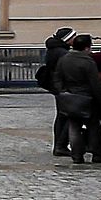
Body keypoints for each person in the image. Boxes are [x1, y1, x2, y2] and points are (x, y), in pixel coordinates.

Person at [50, 31, 101, 166]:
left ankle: (77, 155)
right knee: (93, 127)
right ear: (87, 48)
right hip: (87, 98)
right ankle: (98, 154)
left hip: (70, 98)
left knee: (74, 126)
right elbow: (95, 84)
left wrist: (62, 92)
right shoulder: (87, 61)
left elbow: (57, 77)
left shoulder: (64, 58)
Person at [37, 28, 76, 157]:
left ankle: (60, 145)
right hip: (63, 87)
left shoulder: (55, 50)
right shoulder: (62, 52)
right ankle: (61, 145)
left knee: (61, 116)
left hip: (58, 87)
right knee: (65, 117)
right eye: (73, 37)